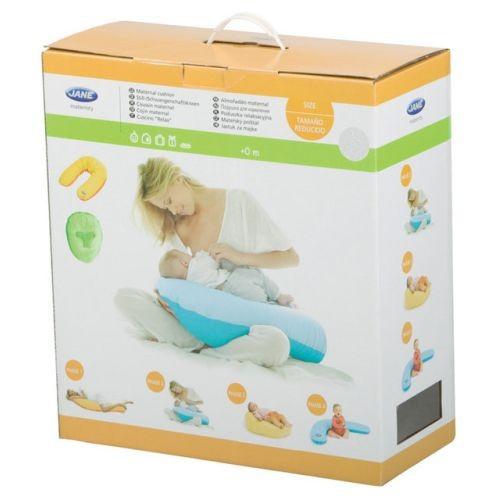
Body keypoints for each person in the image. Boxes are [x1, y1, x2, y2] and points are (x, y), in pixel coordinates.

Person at [114, 157, 300, 368]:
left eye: (169, 201)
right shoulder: (176, 227)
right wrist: (167, 299)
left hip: (240, 326)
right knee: (124, 297)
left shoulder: (239, 202)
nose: (173, 211)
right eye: (165, 208)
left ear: (177, 178)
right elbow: (179, 275)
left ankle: (207, 352)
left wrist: (239, 256)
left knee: (277, 344)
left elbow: (291, 257)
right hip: (196, 324)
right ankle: (197, 344)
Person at [159, 248, 296, 306]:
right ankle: (278, 296)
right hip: (230, 283)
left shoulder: (188, 284)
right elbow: (212, 261)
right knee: (254, 273)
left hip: (225, 292)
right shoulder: (195, 265)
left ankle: (271, 302)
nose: (191, 256)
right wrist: (204, 254)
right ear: (183, 262)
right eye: (186, 255)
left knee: (253, 296)